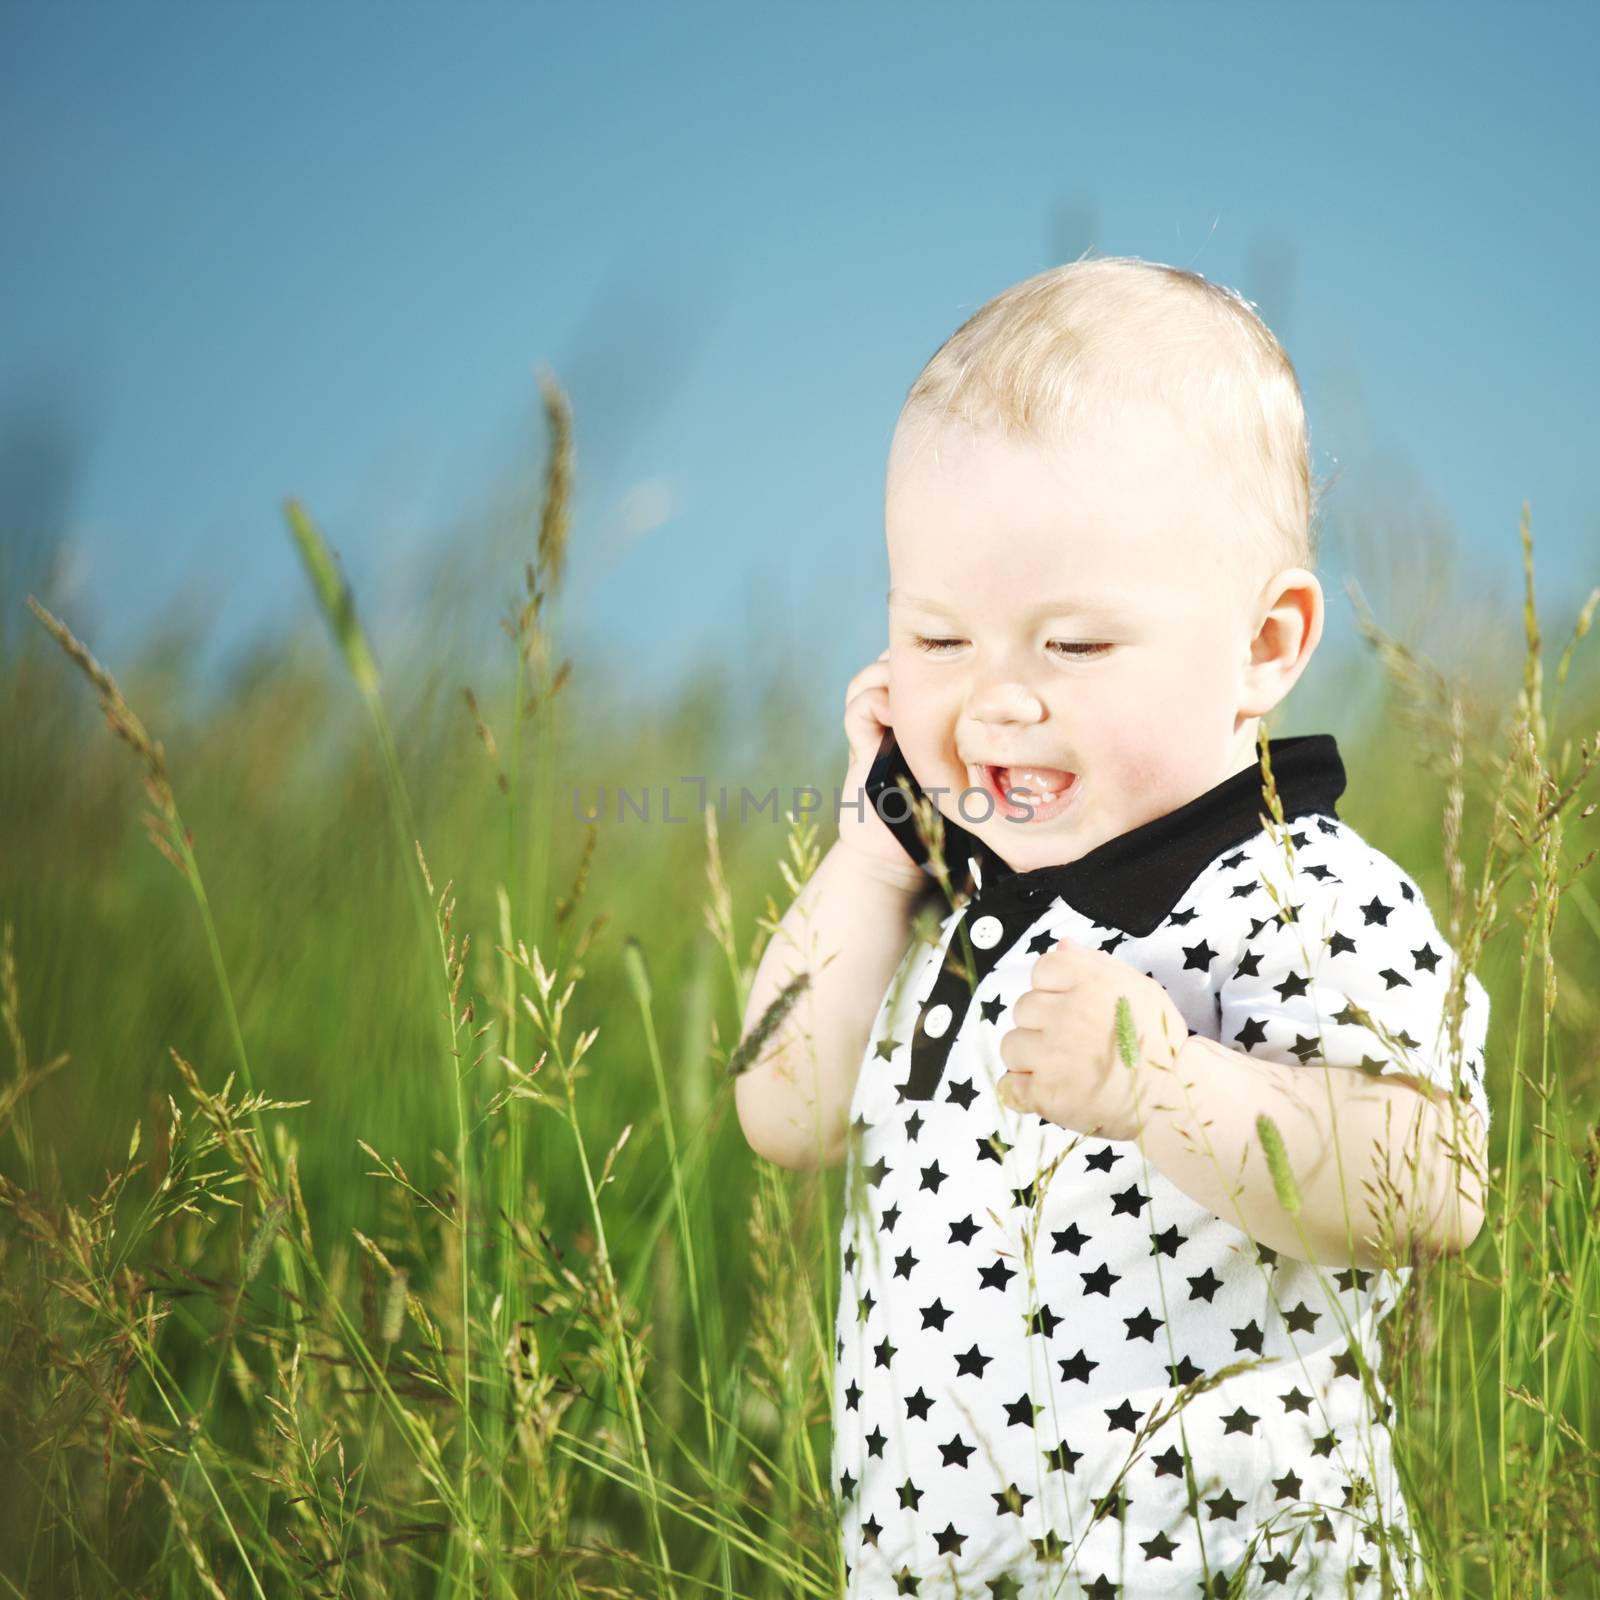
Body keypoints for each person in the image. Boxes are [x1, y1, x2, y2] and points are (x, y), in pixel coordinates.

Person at [733, 255, 1492, 1599]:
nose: (999, 702)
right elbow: (783, 1114)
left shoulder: (1300, 893)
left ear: (1265, 646)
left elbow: (1430, 1183)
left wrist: (1169, 1085)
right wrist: (868, 854)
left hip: (1226, 1565)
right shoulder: (941, 901)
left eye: (1074, 647)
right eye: (939, 641)